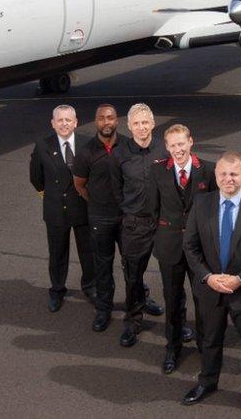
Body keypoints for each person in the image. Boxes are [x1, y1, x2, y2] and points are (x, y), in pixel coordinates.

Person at [182, 152, 241, 419]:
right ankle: (207, 382)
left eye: (234, 174)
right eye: (223, 174)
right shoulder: (201, 204)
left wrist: (239, 279)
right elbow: (190, 247)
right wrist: (208, 277)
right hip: (211, 288)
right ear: (216, 176)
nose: (228, 179)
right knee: (209, 340)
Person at [72, 104, 163, 333]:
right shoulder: (86, 152)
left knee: (133, 266)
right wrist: (98, 202)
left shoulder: (127, 145)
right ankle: (104, 308)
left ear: (117, 122)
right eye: (101, 118)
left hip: (127, 218)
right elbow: (80, 185)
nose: (106, 122)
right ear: (96, 122)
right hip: (101, 216)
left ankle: (140, 299)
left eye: (110, 118)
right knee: (103, 264)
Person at [151, 124, 216, 374]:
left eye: (181, 144)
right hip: (169, 247)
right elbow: (153, 209)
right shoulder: (157, 170)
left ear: (191, 142)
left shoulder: (208, 170)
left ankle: (204, 345)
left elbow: (215, 212)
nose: (178, 150)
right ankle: (173, 346)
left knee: (203, 299)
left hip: (200, 250)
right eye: (173, 145)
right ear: (167, 148)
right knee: (172, 298)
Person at [112, 103, 168, 347]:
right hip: (135, 225)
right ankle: (133, 321)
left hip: (164, 223)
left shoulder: (165, 151)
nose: (142, 127)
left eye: (146, 122)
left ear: (153, 124)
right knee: (133, 276)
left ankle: (176, 325)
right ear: (129, 126)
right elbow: (116, 191)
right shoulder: (120, 155)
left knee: (172, 276)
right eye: (136, 123)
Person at [29, 104, 95, 313]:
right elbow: (36, 177)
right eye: (60, 120)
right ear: (53, 123)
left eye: (68, 120)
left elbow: (95, 174)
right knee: (57, 253)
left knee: (88, 252)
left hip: (83, 207)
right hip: (57, 208)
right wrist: (49, 196)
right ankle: (57, 290)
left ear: (76, 123)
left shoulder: (88, 144)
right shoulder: (42, 146)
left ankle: (90, 287)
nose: (64, 124)